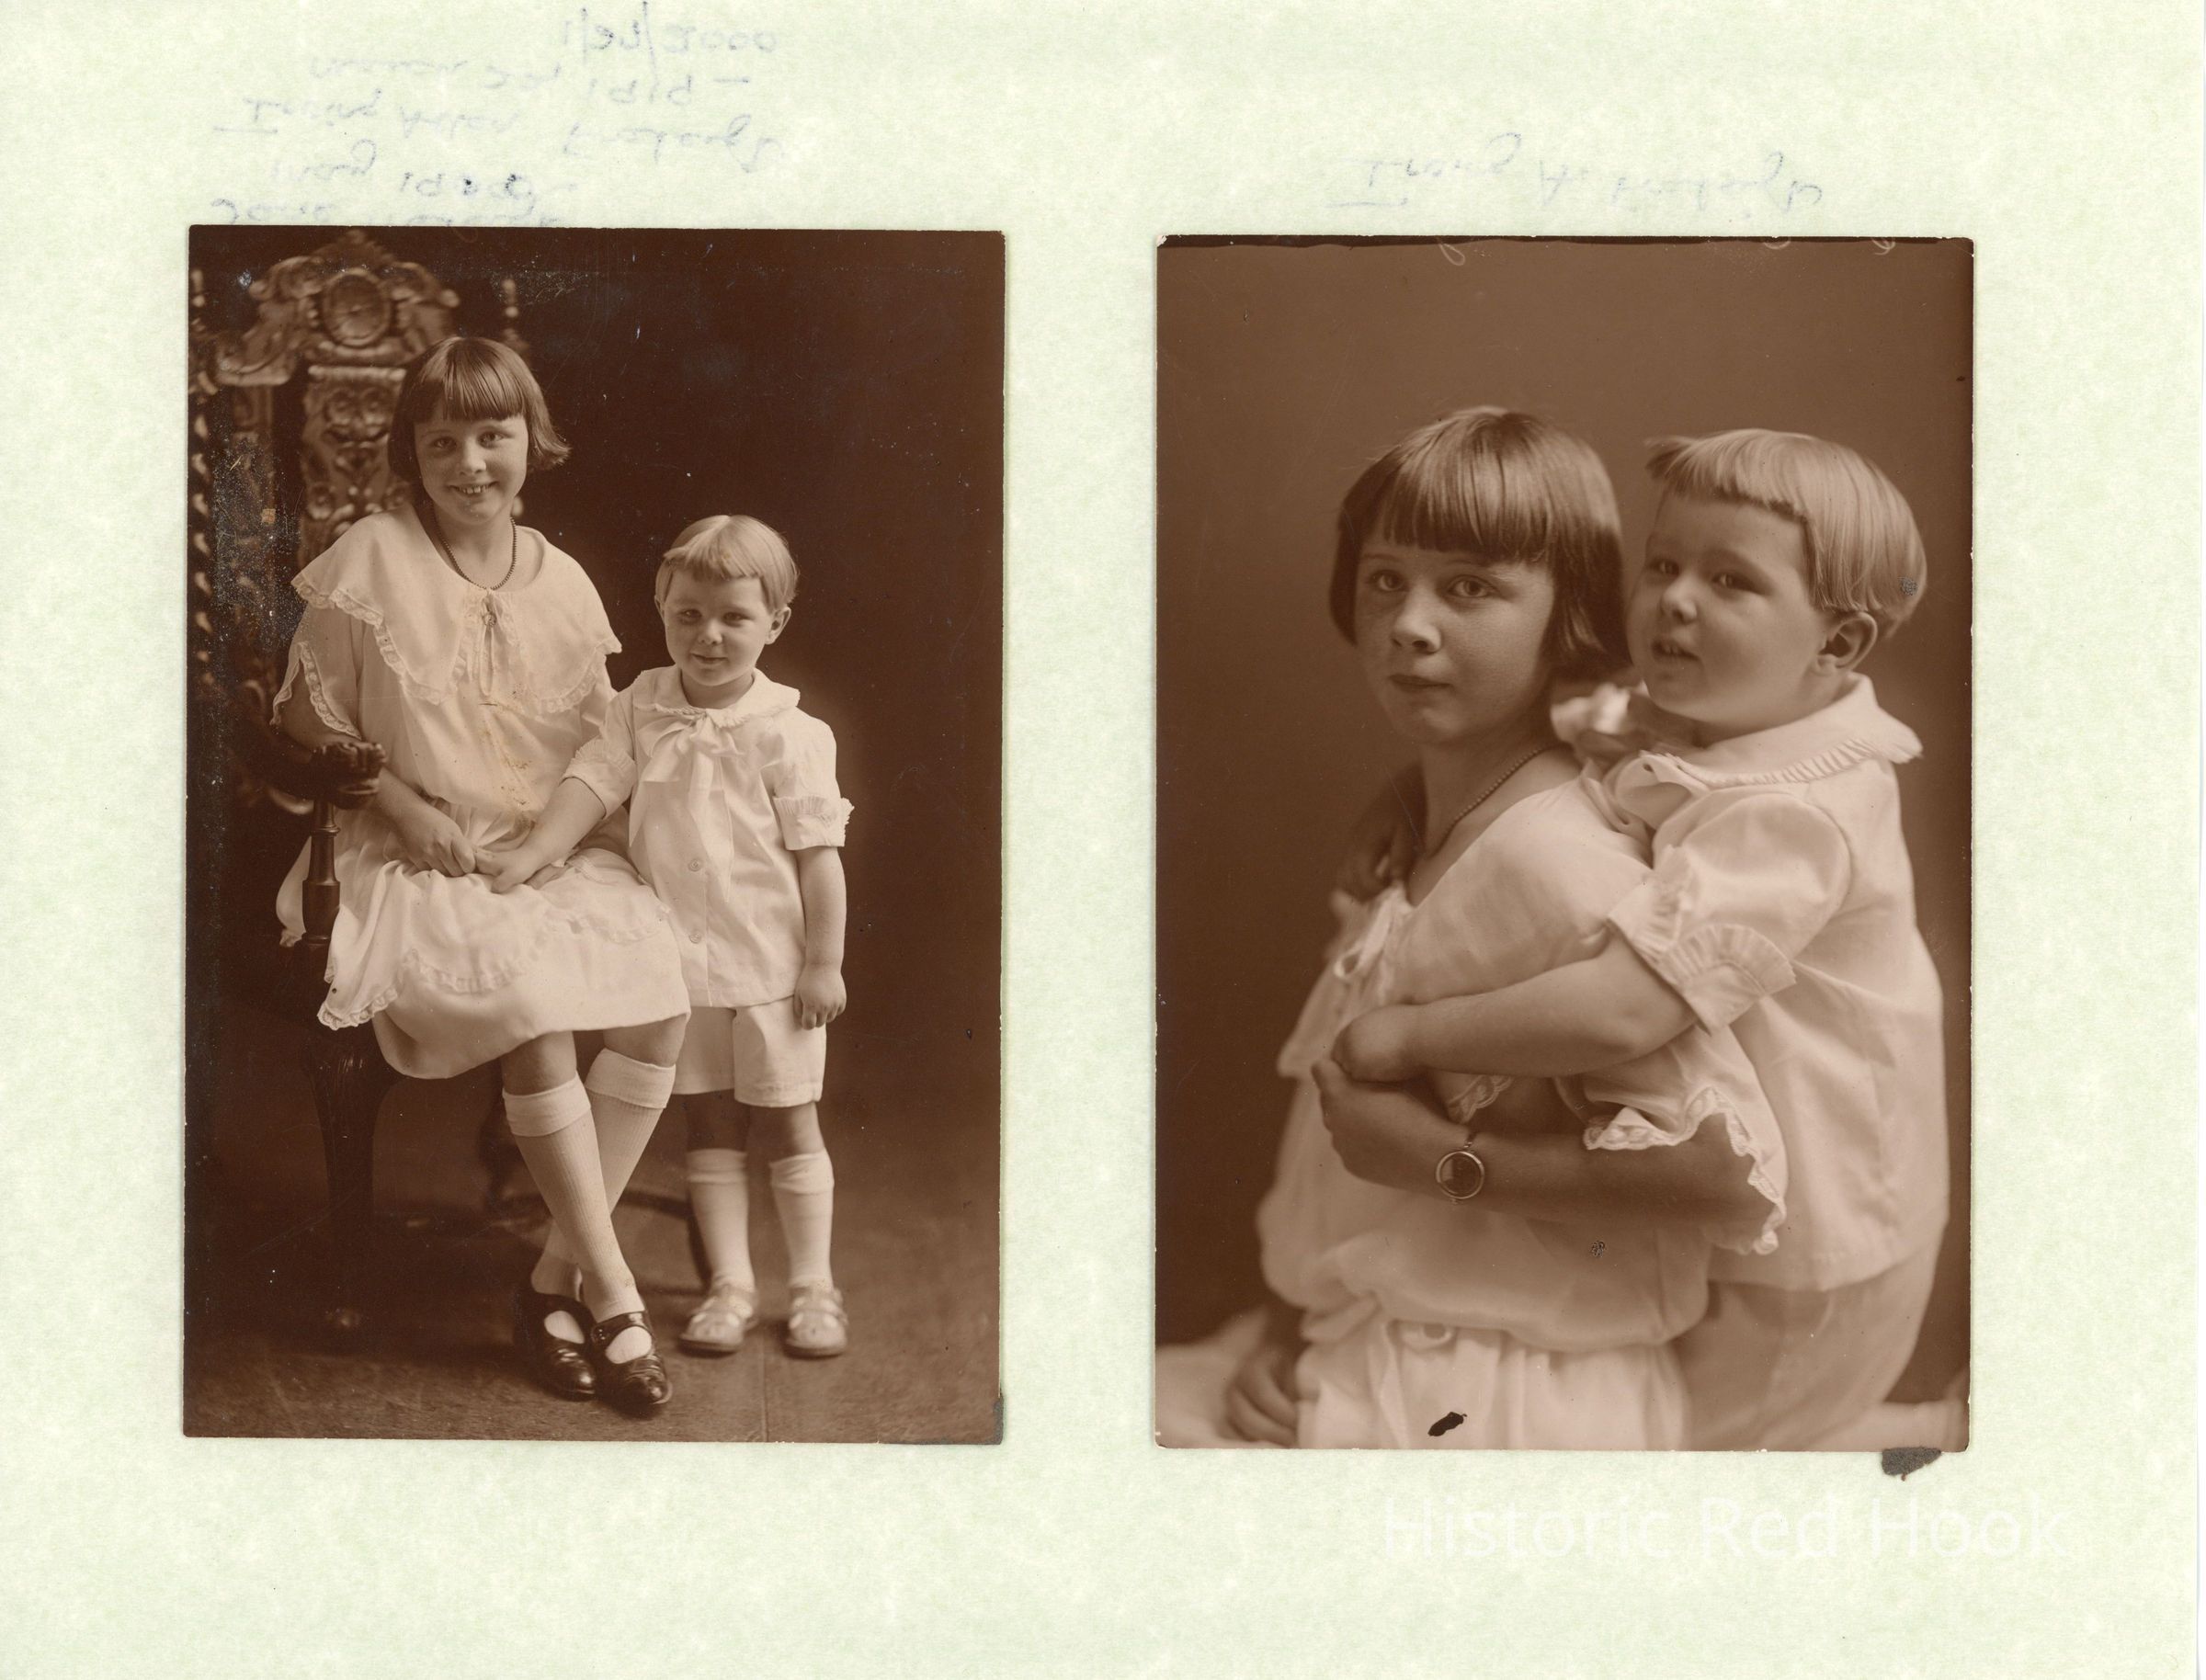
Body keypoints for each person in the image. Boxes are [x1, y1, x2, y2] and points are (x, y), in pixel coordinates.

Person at [1156, 408, 1786, 1450]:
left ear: (1568, 617)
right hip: (1372, 1344)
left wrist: (1449, 1161)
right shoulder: (1423, 830)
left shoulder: (1561, 866)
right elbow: (1344, 1173)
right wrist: (1293, 1325)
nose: (1408, 624)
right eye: (1384, 579)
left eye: (1470, 588)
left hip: (1516, 1397)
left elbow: (1721, 1173)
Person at [1333, 428, 1947, 1447]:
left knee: (1716, 1450)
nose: (1675, 601)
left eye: (1731, 580)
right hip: (1747, 1197)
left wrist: (1413, 1036)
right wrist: (1400, 794)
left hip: (1819, 1249)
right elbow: (1570, 723)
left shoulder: (1794, 815)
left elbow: (1626, 1008)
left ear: (1837, 645)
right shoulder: (1709, 709)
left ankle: (1902, 1445)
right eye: (1663, 565)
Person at [275, 336, 690, 1415]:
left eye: (493, 436)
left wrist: (548, 845)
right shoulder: (372, 557)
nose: (470, 464)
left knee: (663, 994)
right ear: (412, 453)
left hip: (539, 848)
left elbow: (601, 750)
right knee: (531, 1007)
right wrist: (404, 807)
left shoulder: (565, 579)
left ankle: (555, 1282)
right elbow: (304, 720)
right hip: (405, 851)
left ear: (529, 441)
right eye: (443, 442)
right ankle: (617, 1297)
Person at [492, 515, 854, 1360]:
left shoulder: (792, 734)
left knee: (790, 1124)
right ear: (661, 610)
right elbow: (593, 782)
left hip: (771, 970)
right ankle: (730, 1286)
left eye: (734, 617)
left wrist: (824, 963)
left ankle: (814, 1287)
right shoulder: (641, 706)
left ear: (775, 623)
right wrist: (538, 853)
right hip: (681, 969)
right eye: (687, 614)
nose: (708, 636)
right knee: (709, 1128)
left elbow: (820, 861)